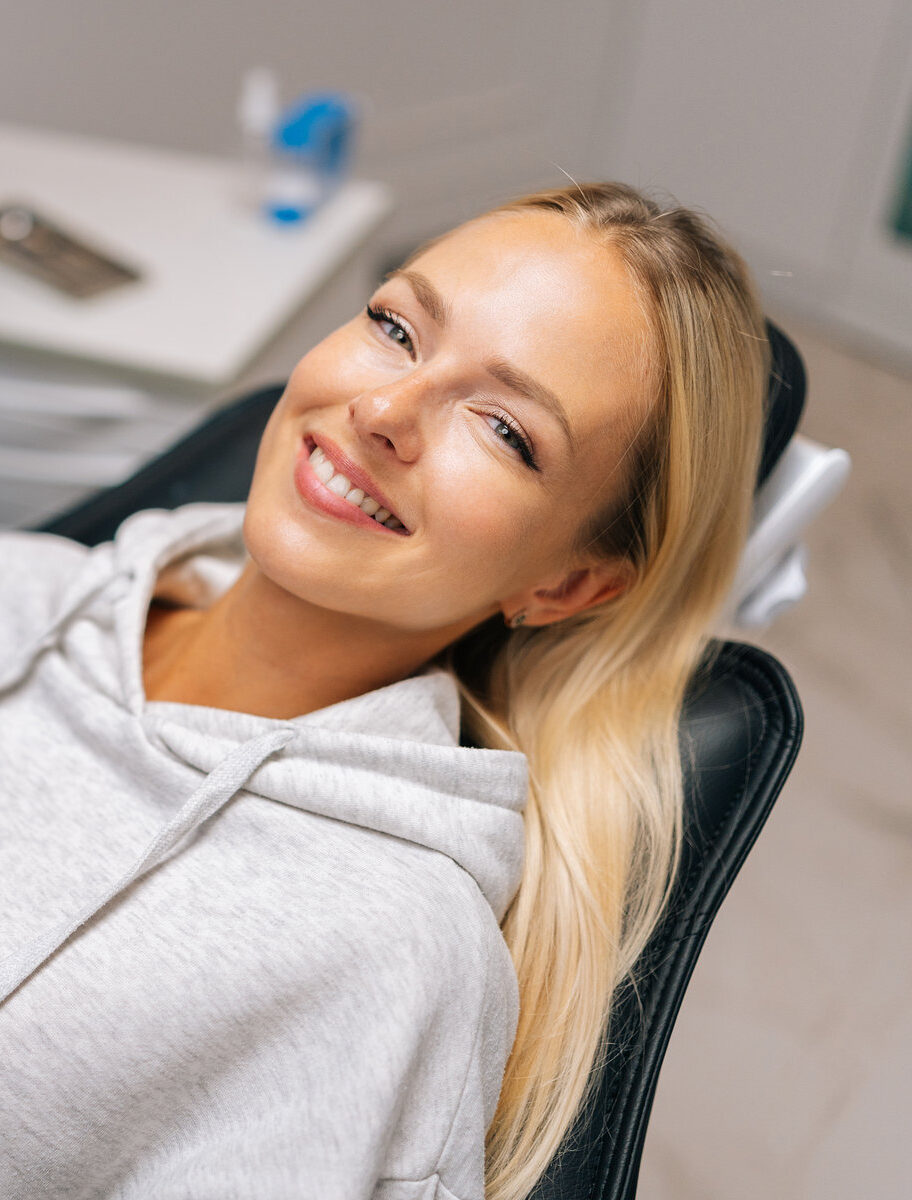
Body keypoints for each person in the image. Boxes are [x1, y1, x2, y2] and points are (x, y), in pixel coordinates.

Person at [0, 181, 769, 1200]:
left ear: (566, 583)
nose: (382, 410)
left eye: (505, 429)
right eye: (396, 328)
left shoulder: (390, 954)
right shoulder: (33, 581)